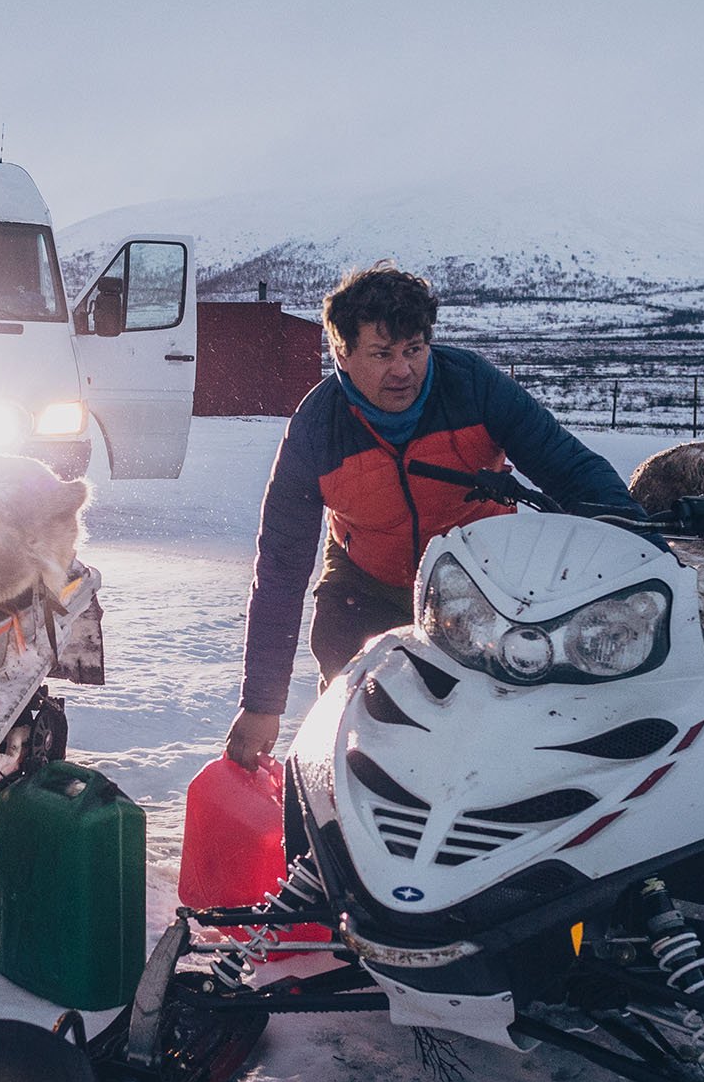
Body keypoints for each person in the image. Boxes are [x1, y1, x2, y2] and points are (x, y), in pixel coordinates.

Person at [224, 263, 640, 768]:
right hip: (367, 582)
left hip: (486, 582)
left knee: (494, 724)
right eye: (381, 354)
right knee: (360, 711)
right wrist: (262, 705)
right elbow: (281, 569)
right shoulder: (316, 430)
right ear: (343, 353)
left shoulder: (473, 387)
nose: (402, 370)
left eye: (413, 350)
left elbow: (570, 469)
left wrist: (640, 544)